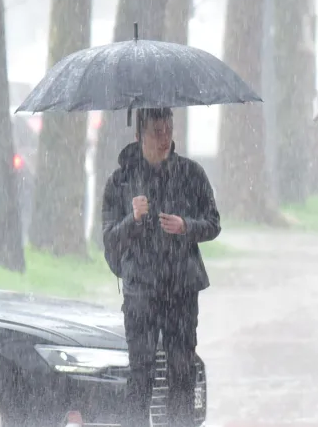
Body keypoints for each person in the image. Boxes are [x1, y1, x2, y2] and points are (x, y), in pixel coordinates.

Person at [102, 108, 220, 427]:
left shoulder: (191, 173)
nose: (165, 137)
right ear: (139, 135)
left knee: (180, 371)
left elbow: (213, 223)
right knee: (141, 372)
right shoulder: (121, 180)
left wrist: (186, 226)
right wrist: (133, 219)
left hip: (181, 287)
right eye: (157, 131)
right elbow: (109, 239)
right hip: (140, 290)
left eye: (168, 129)